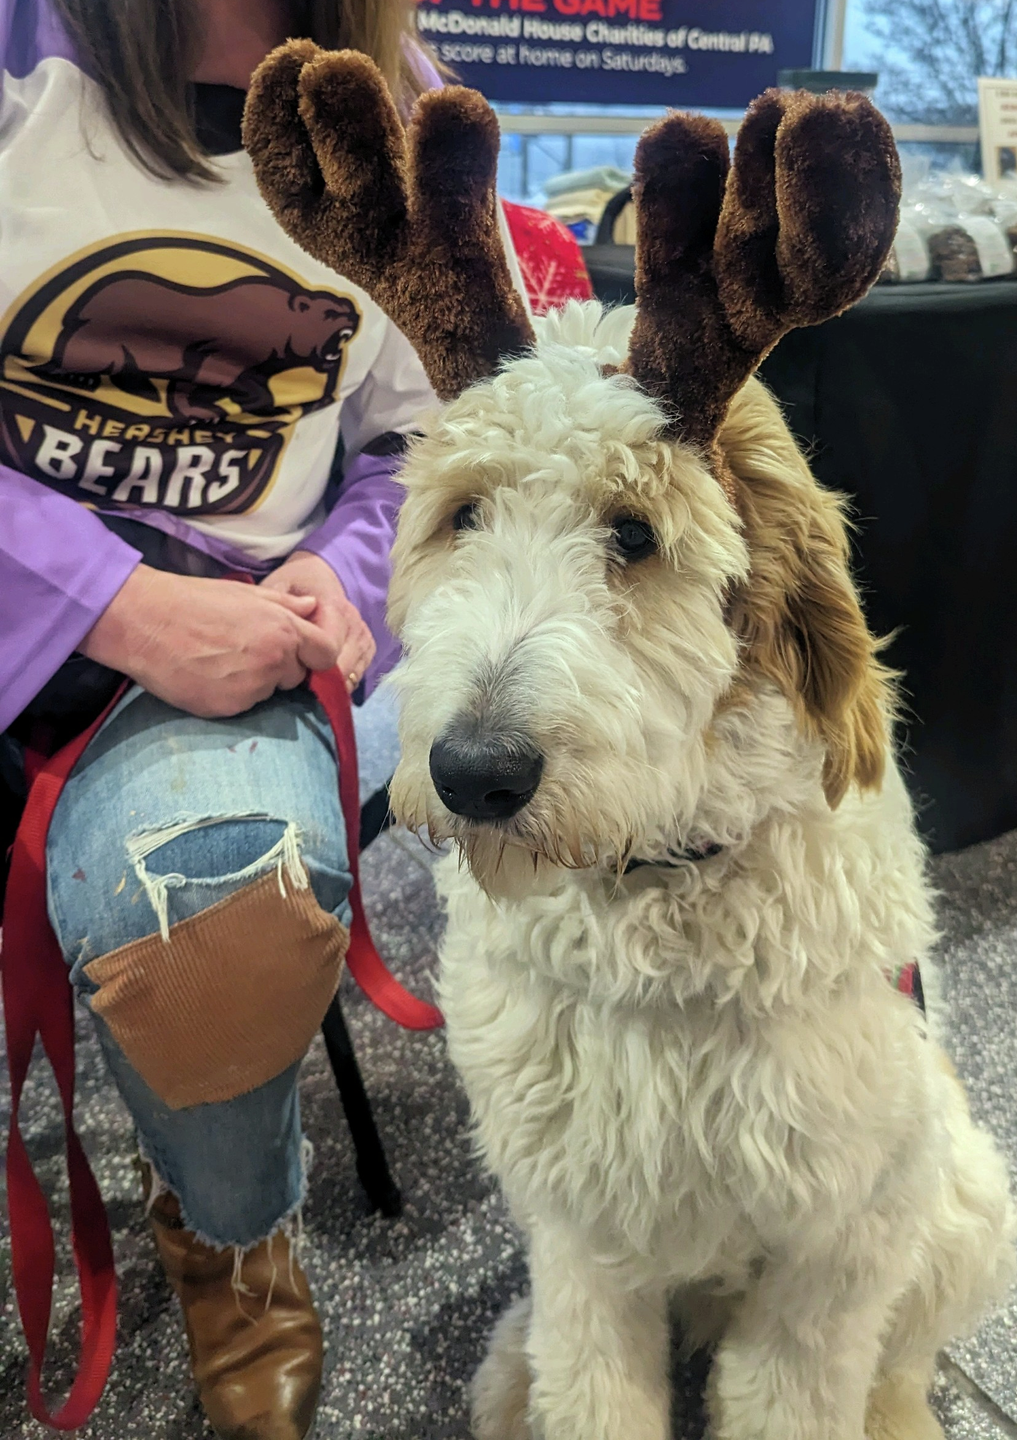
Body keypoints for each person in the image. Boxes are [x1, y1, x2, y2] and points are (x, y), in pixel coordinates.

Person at [0, 3, 458, 1436]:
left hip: (251, 643)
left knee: (220, 899)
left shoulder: (401, 103)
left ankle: (234, 1238)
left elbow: (430, 427)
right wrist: (109, 603)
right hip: (56, 606)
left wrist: (349, 573)